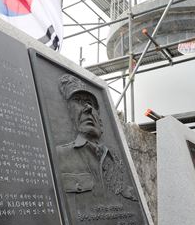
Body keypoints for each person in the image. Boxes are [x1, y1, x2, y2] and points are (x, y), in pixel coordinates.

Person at [56, 73, 137, 203]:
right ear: (68, 112)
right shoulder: (60, 155)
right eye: (78, 101)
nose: (88, 108)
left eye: (89, 103)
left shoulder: (114, 158)